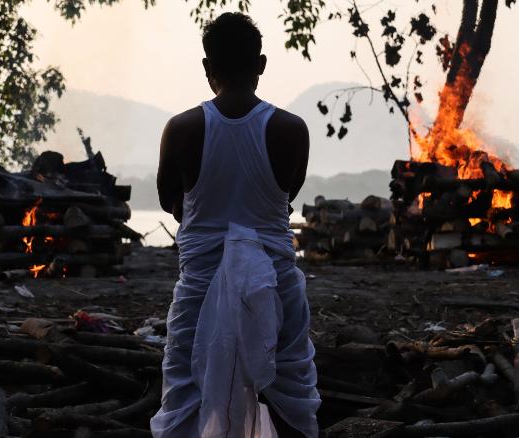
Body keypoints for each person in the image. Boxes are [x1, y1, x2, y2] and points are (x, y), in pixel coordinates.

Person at [151, 12, 320, 438]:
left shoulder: (182, 129)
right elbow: (286, 197)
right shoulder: (291, 130)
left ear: (208, 68)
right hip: (275, 287)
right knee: (289, 397)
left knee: (186, 398)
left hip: (199, 289)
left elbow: (171, 203)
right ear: (261, 64)